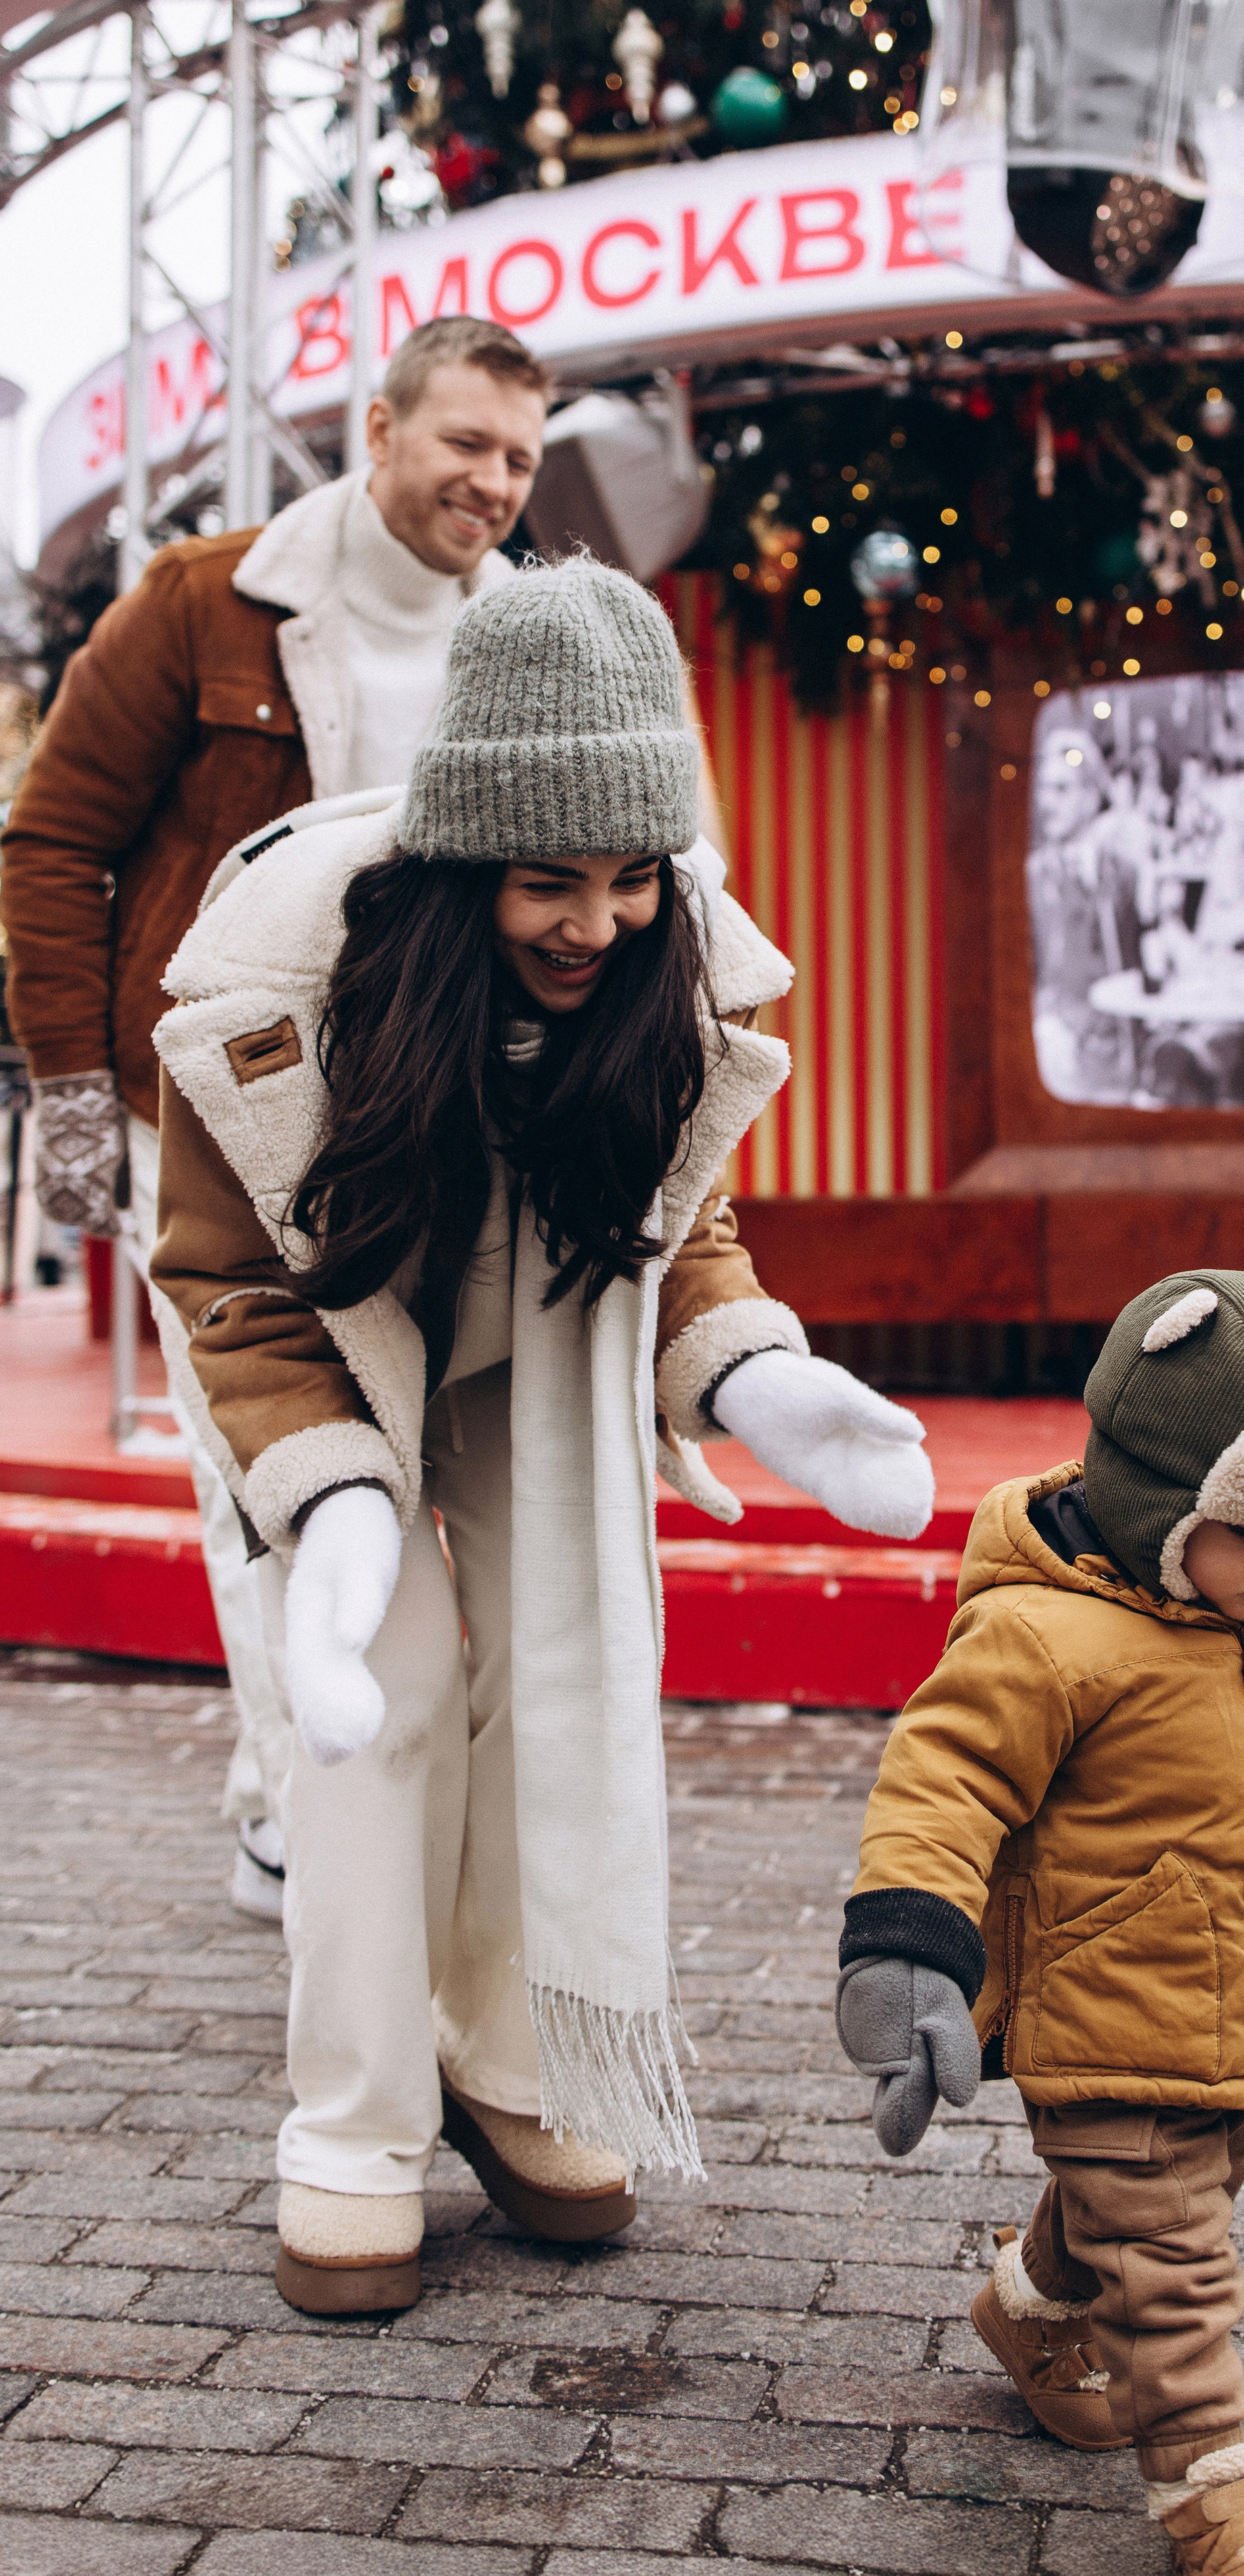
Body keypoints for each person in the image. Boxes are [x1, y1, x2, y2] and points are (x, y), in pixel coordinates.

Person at [149, 555, 934, 2316]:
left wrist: (760, 1377)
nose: (597, 923)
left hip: (547, 1352)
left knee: (562, 1672)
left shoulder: (674, 982)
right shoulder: (270, 997)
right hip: (337, 1336)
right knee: (389, 1691)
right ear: (460, 868)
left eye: (634, 878)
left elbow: (682, 1225)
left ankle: (517, 2063)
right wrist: (339, 1512)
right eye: (547, 882)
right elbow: (227, 1280)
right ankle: (353, 2126)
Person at [0, 315, 550, 1921]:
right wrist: (72, 1094)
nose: (494, 484)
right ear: (377, 431)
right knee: (269, 1465)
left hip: (434, 1118)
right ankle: (308, 1808)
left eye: (519, 457)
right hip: (217, 1118)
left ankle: (286, 1794)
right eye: (465, 444)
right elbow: (51, 842)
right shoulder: (201, 602)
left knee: (410, 1462)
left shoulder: (523, 635)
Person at [834, 1271, 1244, 2571]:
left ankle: (1032, 2308)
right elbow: (943, 1780)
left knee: (1169, 2201)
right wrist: (907, 1947)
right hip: (1104, 2006)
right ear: (1156, 1493)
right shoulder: (1049, 1636)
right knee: (1177, 2261)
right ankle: (1223, 2502)